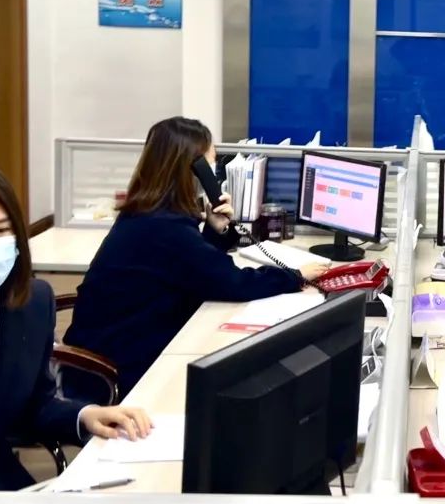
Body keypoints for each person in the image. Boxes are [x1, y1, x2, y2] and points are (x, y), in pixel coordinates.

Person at [0, 156, 152, 491]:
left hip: (7, 492)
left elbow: (34, 405)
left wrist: (85, 415)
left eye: (1, 230)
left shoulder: (33, 303)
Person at [64, 117, 327, 398]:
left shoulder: (147, 213)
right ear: (192, 170)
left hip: (112, 351)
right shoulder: (165, 228)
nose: (215, 175)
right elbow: (232, 283)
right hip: (115, 373)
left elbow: (195, 271)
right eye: (211, 164)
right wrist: (295, 276)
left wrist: (215, 229)